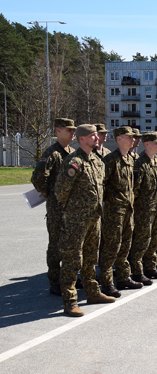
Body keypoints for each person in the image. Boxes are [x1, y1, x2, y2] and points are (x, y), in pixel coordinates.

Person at [54, 124, 116, 316]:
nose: (97, 138)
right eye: (92, 135)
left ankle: (93, 292)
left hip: (94, 218)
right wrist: (73, 210)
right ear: (81, 139)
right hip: (76, 220)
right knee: (73, 260)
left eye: (96, 135)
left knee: (91, 258)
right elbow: (61, 192)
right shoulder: (73, 162)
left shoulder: (97, 161)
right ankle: (70, 301)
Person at [31, 117, 76, 295]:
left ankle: (69, 277)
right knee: (56, 246)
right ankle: (55, 281)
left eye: (73, 130)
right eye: (68, 130)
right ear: (58, 130)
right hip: (57, 209)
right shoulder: (51, 153)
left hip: (72, 208)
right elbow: (38, 178)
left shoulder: (72, 152)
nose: (72, 133)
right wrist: (50, 194)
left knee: (70, 245)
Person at [98, 126, 140, 297]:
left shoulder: (130, 160)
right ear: (119, 139)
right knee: (111, 246)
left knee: (125, 245)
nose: (133, 140)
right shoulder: (110, 160)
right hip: (114, 211)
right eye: (128, 137)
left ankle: (123, 277)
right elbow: (102, 185)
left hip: (128, 209)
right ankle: (106, 282)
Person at [130, 132, 157, 284]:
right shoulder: (140, 164)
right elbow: (135, 190)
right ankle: (137, 271)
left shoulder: (156, 162)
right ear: (147, 144)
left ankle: (150, 267)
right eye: (156, 142)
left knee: (154, 239)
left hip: (156, 208)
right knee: (141, 241)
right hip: (144, 210)